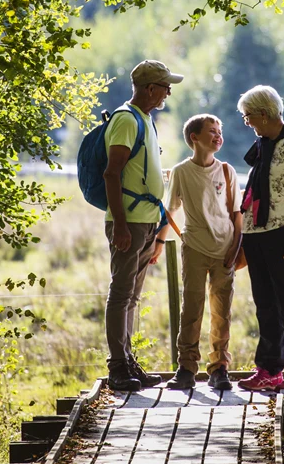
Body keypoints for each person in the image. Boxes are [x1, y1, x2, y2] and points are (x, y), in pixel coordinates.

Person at [101, 59, 183, 392]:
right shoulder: (125, 120)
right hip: (130, 222)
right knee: (121, 295)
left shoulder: (146, 120)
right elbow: (111, 173)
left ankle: (128, 361)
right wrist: (120, 224)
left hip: (146, 221)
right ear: (151, 88)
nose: (168, 92)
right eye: (165, 86)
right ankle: (118, 367)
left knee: (132, 296)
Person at [235, 85, 284, 391]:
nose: (247, 122)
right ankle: (269, 368)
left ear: (264, 114)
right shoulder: (263, 143)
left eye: (248, 116)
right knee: (266, 304)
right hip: (256, 232)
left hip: (283, 231)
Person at [156, 114, 243, 391]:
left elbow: (237, 215)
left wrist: (236, 249)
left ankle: (219, 368)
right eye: (211, 131)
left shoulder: (227, 171)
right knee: (191, 309)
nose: (218, 136)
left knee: (222, 311)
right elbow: (169, 210)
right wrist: (160, 242)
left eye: (220, 131)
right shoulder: (181, 171)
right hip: (193, 248)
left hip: (225, 249)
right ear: (194, 138)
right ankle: (186, 368)